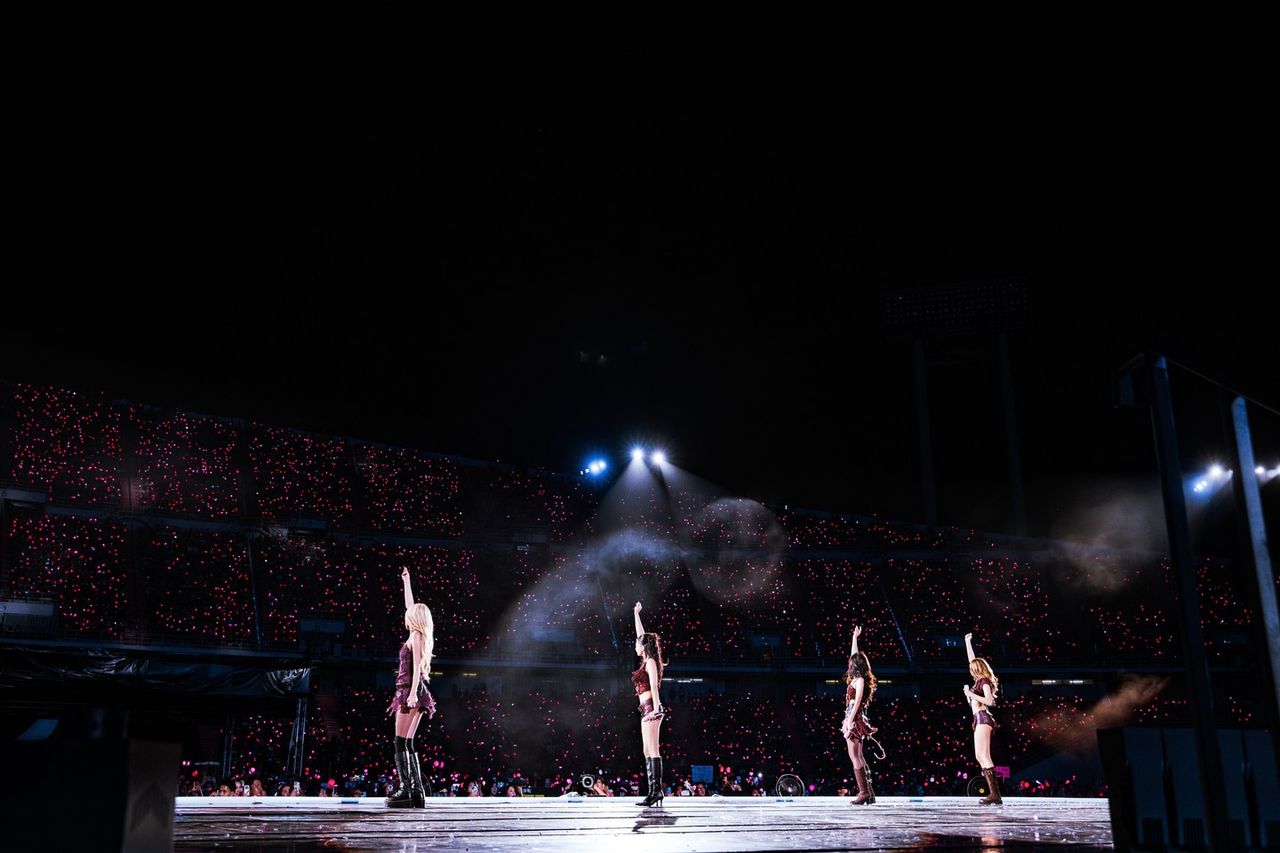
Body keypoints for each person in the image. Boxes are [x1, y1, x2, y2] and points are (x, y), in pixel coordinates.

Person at [386, 566, 437, 809]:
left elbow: (416, 667)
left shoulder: (416, 636)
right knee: (407, 742)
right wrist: (406, 582)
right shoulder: (419, 634)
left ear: (416, 619)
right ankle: (416, 792)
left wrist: (413, 693)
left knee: (400, 741)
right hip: (413, 689)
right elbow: (410, 607)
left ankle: (407, 789)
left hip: (410, 688)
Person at [632, 601, 668, 807]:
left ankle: (657, 792)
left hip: (651, 708)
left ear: (643, 646)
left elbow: (654, 686)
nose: (635, 645)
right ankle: (653, 792)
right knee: (647, 750)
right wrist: (636, 614)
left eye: (637, 643)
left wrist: (656, 708)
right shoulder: (646, 660)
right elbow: (641, 635)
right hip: (645, 709)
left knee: (653, 749)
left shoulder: (651, 662)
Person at [963, 632, 1002, 805]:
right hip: (979, 719)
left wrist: (970, 694)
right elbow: (972, 660)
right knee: (980, 756)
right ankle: (993, 794)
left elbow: (990, 701)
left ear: (977, 669)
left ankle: (995, 794)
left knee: (984, 756)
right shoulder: (979, 680)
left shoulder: (984, 681)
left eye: (973, 668)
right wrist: (967, 642)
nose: (970, 670)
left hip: (983, 718)